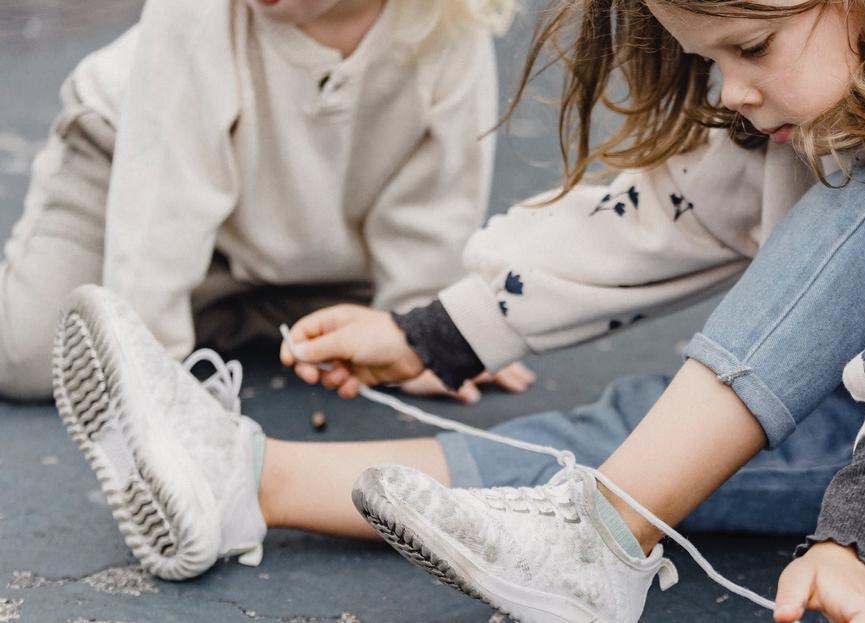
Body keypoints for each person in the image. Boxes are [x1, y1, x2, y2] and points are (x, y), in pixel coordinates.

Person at [53, 0, 865, 623]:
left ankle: (603, 542)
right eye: (707, 57)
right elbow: (657, 217)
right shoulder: (833, 90)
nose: (731, 87)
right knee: (664, 430)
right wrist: (435, 334)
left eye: (748, 46)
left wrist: (864, 537)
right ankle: (242, 479)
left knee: (862, 220)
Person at [0, 0, 533, 404]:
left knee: (361, 328)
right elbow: (162, 206)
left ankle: (223, 298)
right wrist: (150, 370)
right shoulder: (198, 14)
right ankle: (207, 301)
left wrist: (420, 335)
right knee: (35, 355)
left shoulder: (447, 26)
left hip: (310, 227)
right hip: (124, 167)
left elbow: (435, 200)